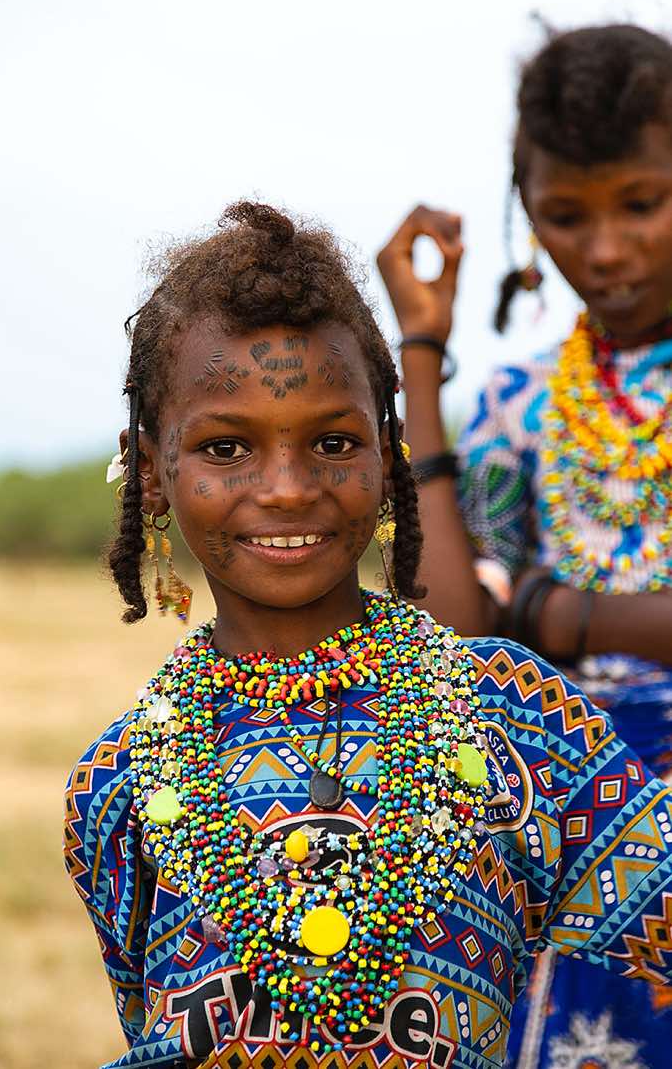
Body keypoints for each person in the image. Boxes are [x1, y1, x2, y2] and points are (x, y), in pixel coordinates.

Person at [65, 200, 672, 1069]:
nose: (285, 488)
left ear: (387, 459)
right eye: (227, 449)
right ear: (153, 473)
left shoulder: (513, 718)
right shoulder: (119, 782)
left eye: (332, 442)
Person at [377, 23, 672, 1069]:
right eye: (564, 215)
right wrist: (419, 353)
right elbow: (454, 630)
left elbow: (517, 620)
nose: (602, 249)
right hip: (564, 839)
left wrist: (559, 617)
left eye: (640, 202)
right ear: (524, 215)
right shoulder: (515, 406)